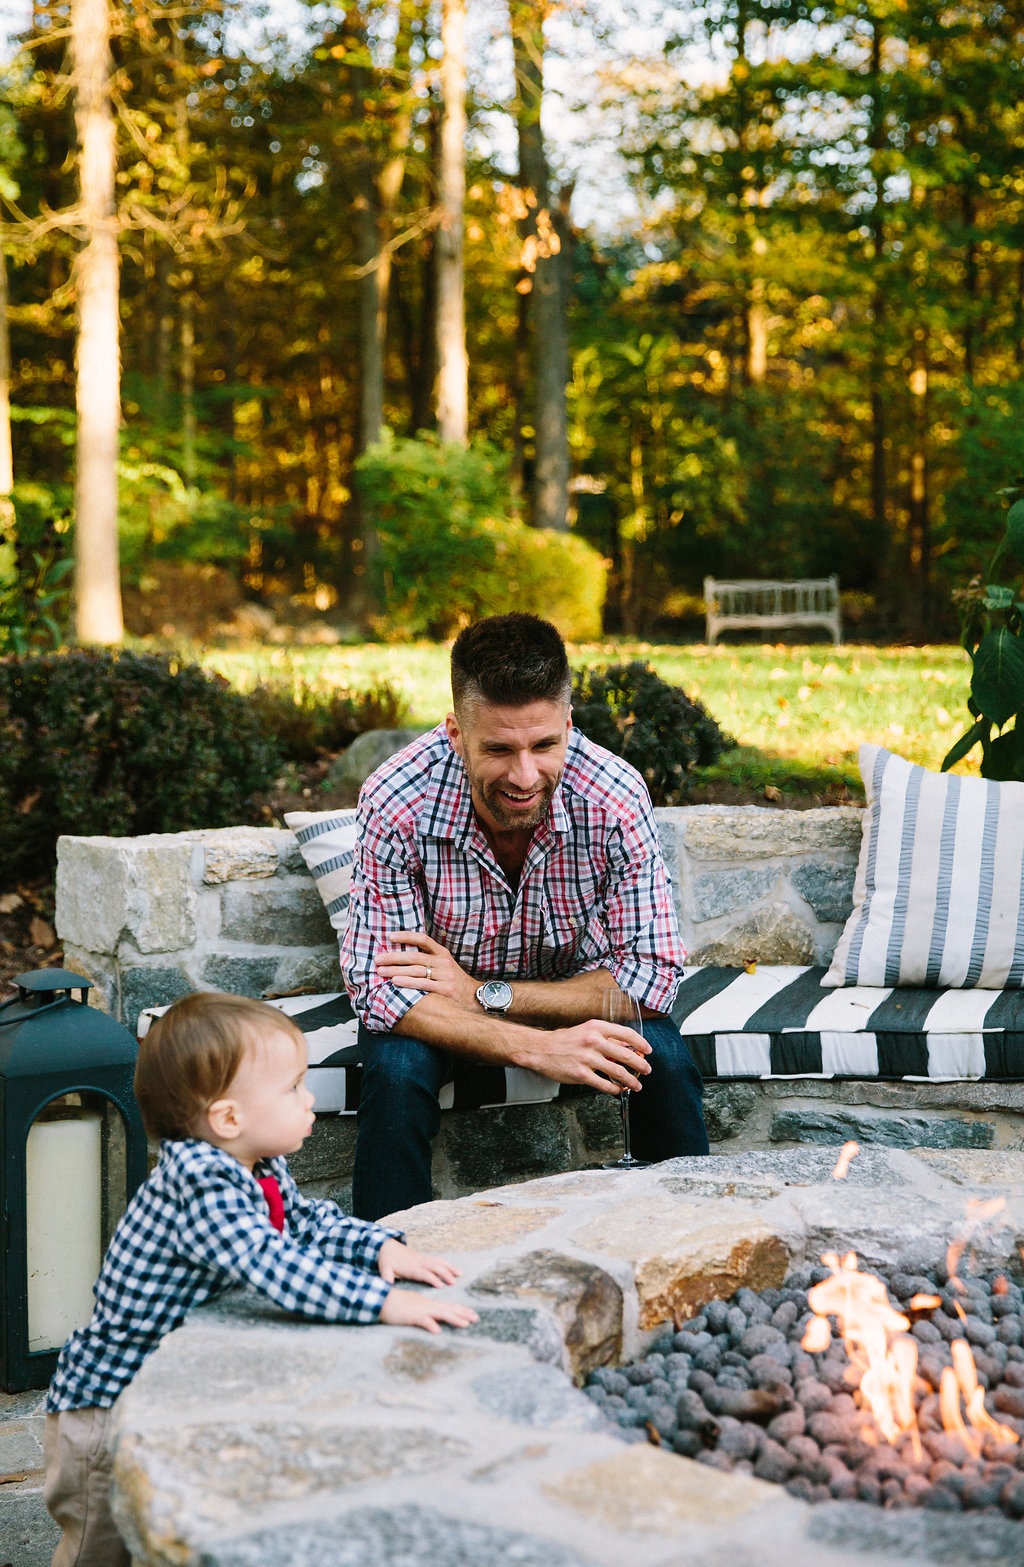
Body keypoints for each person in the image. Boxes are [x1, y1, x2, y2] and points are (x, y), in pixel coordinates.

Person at [42, 992, 476, 1567]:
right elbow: (277, 1267)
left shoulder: (255, 1162)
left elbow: (306, 1224)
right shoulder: (200, 1185)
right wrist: (381, 1303)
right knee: (99, 1551)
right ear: (228, 1118)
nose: (310, 1097)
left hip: (163, 1398)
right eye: (293, 1087)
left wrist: (379, 1249)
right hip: (103, 1414)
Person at [341, 612, 708, 1222]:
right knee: (395, 1070)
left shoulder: (613, 798)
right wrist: (538, 1049)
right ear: (456, 732)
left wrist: (487, 993)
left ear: (568, 724)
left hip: (521, 994)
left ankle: (684, 1237)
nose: (524, 775)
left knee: (661, 1057)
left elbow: (650, 979)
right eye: (498, 749)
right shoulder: (396, 798)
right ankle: (386, 1262)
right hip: (441, 1010)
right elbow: (381, 993)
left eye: (544, 745)